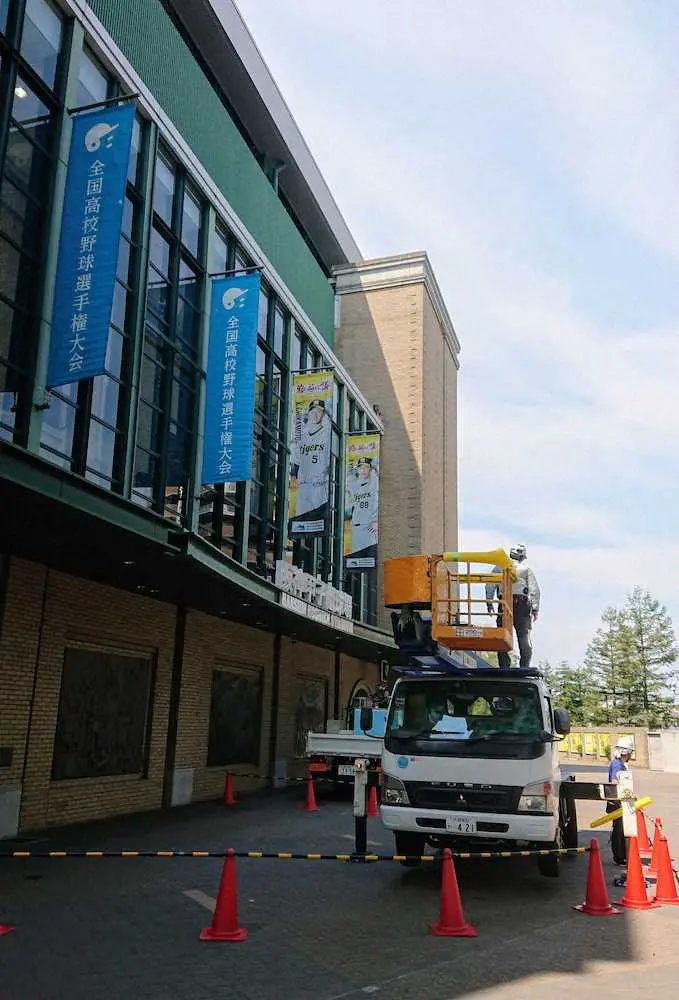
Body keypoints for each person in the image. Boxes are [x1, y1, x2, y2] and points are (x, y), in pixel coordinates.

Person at [485, 543, 541, 668]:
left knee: (502, 634)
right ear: (522, 557)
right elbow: (534, 590)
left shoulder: (499, 567)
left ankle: (504, 664)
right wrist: (535, 608)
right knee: (523, 635)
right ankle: (524, 665)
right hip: (521, 604)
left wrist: (489, 602)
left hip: (504, 603)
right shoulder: (525, 570)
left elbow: (489, 585)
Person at [290, 399, 331, 518]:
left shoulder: (327, 433)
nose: (315, 414)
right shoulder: (302, 434)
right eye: (313, 411)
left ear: (323, 414)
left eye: (319, 411)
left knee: (318, 518)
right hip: (303, 484)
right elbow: (295, 459)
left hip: (319, 483)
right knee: (301, 517)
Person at [607, 737, 634, 866]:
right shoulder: (617, 765)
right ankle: (619, 856)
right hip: (617, 802)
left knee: (620, 829)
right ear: (627, 752)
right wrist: (626, 794)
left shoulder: (619, 763)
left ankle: (621, 855)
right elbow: (614, 782)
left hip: (619, 800)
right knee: (619, 830)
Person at [345, 457, 379, 556]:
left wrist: (375, 521)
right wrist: (350, 465)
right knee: (357, 555)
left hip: (369, 526)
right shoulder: (354, 485)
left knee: (369, 556)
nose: (363, 470)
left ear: (370, 469)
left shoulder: (373, 483)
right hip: (356, 526)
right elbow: (348, 475)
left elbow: (376, 464)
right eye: (361, 467)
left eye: (366, 467)